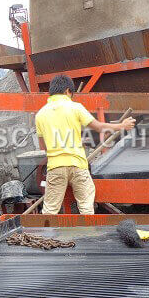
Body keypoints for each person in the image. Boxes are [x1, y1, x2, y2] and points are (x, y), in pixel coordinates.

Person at [35, 74, 136, 214]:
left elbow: (44, 147)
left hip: (55, 167)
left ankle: (44, 235)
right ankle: (88, 234)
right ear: (67, 91)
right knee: (86, 207)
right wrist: (122, 126)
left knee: (50, 210)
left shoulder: (40, 114)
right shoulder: (75, 107)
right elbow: (99, 127)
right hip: (78, 166)